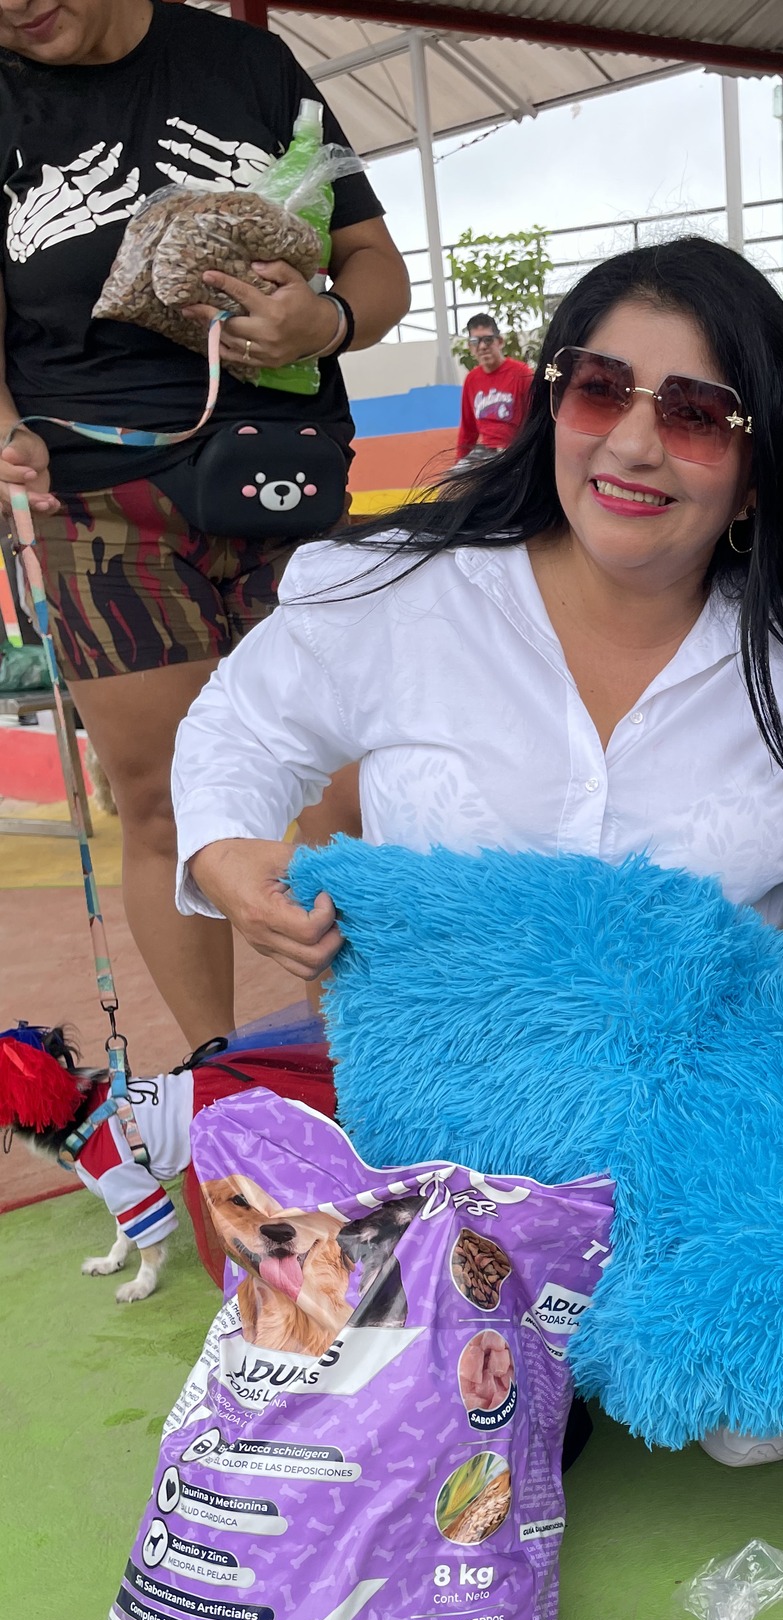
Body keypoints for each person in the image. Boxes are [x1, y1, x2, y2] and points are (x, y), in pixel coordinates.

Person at [172, 236, 783, 1464]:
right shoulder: (402, 592)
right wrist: (229, 860)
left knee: (751, 1431)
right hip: (451, 1141)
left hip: (699, 1138)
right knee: (430, 1435)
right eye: (600, 388)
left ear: (758, 473)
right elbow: (241, 728)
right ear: (550, 407)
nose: (633, 443)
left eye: (697, 413)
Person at [0, 0, 410, 1049]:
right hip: (96, 499)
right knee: (163, 803)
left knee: (344, 792)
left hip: (286, 479)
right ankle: (217, 1074)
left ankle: (362, 1069)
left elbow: (376, 263)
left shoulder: (247, 65)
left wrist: (329, 320)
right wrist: (6, 431)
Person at [455, 312, 533, 463]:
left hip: (515, 451)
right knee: (455, 477)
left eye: (488, 340)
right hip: (485, 453)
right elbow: (467, 430)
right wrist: (459, 465)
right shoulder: (471, 380)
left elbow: (534, 421)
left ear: (500, 341)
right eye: (475, 341)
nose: (482, 346)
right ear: (470, 347)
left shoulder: (523, 374)